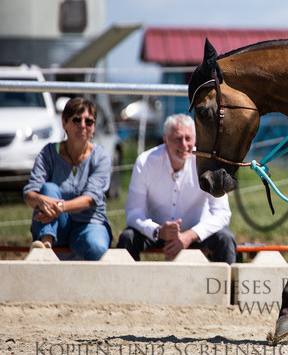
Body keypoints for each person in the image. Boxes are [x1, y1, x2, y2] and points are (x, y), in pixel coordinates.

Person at [118, 114, 236, 263]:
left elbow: (222, 214)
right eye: (178, 138)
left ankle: (227, 285)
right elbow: (133, 212)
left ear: (195, 139)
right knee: (127, 238)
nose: (184, 145)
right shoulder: (145, 162)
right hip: (156, 233)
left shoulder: (209, 164)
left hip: (196, 234)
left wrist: (190, 235)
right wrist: (158, 231)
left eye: (188, 138)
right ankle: (127, 285)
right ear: (165, 140)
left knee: (225, 238)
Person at [24, 97, 112, 260]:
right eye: (77, 120)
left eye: (89, 122)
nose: (83, 126)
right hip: (56, 224)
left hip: (89, 223)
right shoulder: (48, 153)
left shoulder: (101, 157)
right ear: (64, 123)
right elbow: (30, 195)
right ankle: (45, 246)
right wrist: (40, 199)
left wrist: (59, 206)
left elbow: (89, 200)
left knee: (97, 247)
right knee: (49, 189)